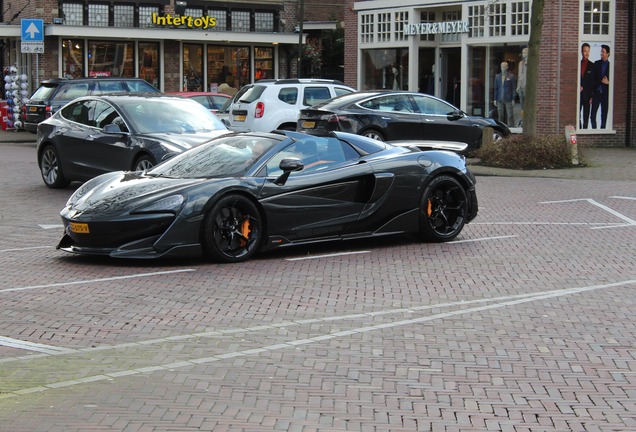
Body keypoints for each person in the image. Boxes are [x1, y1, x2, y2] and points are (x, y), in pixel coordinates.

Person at [591, 44, 610, 129]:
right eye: (601, 51)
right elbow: (593, 78)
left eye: (603, 52)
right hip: (596, 93)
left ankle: (603, 130)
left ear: (608, 54)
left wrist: (608, 82)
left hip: (605, 94)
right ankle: (594, 130)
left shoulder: (611, 66)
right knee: (593, 114)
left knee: (604, 114)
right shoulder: (597, 63)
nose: (601, 53)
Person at [493, 61, 516, 127]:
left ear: (507, 67)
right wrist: (495, 99)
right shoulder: (497, 76)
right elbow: (496, 88)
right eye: (501, 67)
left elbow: (514, 88)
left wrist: (513, 99)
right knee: (500, 114)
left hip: (508, 98)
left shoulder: (511, 76)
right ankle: (501, 127)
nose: (502, 68)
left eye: (504, 67)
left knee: (510, 114)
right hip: (499, 98)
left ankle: (511, 126)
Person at [579, 43, 595, 129]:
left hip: (587, 95)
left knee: (586, 116)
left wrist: (592, 96)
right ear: (582, 51)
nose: (587, 53)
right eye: (585, 51)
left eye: (588, 51)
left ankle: (584, 131)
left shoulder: (592, 66)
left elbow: (593, 82)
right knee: (578, 115)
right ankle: (579, 129)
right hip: (579, 95)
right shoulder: (578, 64)